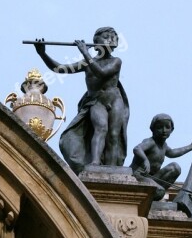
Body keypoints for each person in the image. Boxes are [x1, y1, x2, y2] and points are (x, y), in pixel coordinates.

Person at [34, 27, 129, 173]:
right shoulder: (86, 63)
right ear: (96, 42)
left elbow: (102, 72)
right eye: (106, 37)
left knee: (114, 134)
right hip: (96, 101)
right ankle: (95, 163)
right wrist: (43, 53)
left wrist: (85, 53)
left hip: (115, 100)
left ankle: (113, 167)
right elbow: (60, 68)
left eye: (113, 38)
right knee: (101, 128)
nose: (110, 40)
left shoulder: (116, 61)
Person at [130, 114, 192, 200]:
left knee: (175, 168)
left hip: (151, 178)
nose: (164, 130)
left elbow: (173, 153)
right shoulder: (151, 142)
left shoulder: (164, 146)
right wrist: (145, 160)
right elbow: (137, 148)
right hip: (138, 177)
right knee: (159, 191)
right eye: (159, 127)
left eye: (167, 127)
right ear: (153, 129)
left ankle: (155, 192)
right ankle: (153, 194)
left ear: (172, 130)